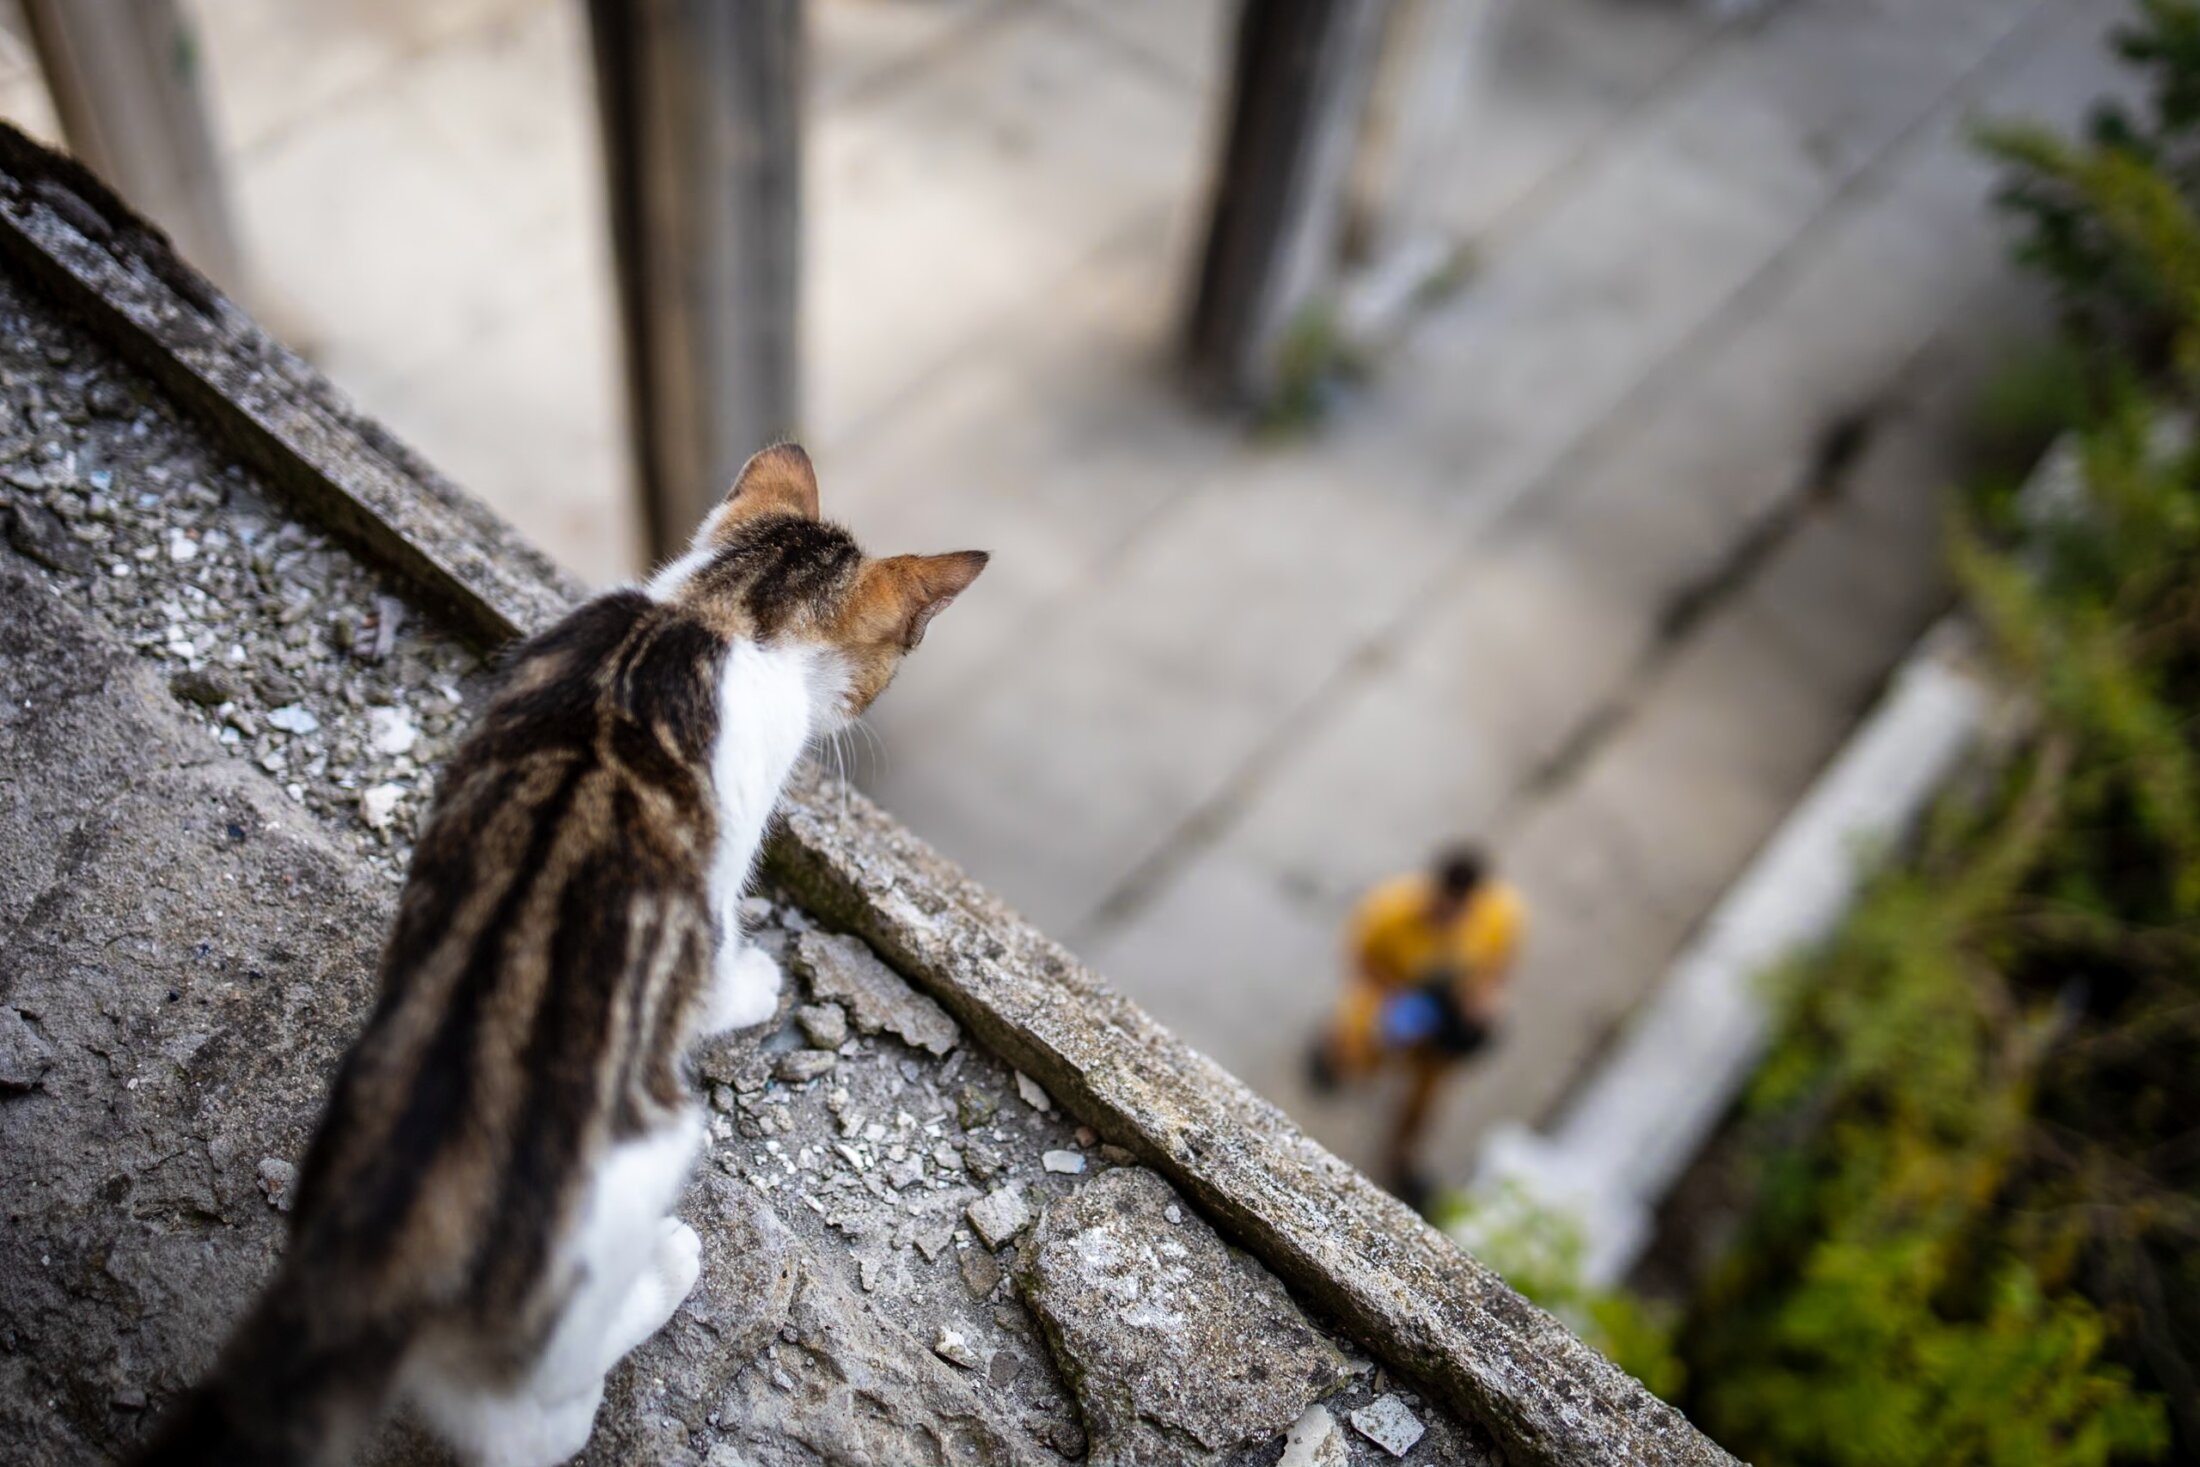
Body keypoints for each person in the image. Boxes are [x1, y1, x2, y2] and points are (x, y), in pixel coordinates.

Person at [1308, 845, 1527, 1211]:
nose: (1448, 919)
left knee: (1424, 1099)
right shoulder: (1389, 910)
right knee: (1356, 1045)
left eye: (1457, 913)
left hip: (1443, 1026)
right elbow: (1361, 960)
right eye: (1441, 909)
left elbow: (1498, 967)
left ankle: (1402, 1158)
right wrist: (1397, 998)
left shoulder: (1500, 915)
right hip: (1393, 999)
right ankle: (1333, 1059)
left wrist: (1483, 1000)